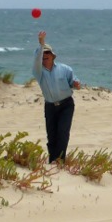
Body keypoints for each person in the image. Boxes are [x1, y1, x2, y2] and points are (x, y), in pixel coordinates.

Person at [32, 31, 81, 164]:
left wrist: (76, 84)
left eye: (47, 53)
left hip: (66, 105)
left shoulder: (65, 69)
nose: (44, 55)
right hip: (50, 106)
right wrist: (41, 44)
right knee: (52, 135)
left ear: (53, 55)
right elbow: (36, 59)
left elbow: (73, 82)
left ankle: (60, 161)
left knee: (63, 132)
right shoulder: (38, 72)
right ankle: (52, 160)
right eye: (42, 54)